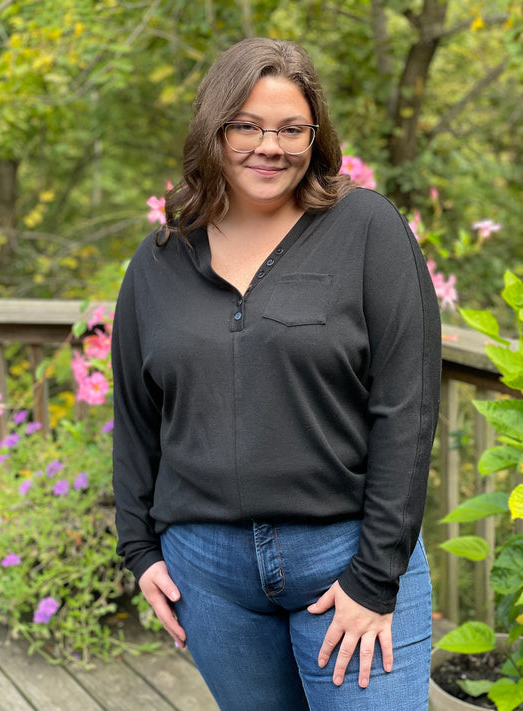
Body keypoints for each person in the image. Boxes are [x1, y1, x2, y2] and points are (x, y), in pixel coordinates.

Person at [112, 37, 441, 711]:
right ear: (214, 130)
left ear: (315, 135)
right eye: (247, 126)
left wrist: (375, 577)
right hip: (207, 572)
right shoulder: (160, 261)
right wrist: (139, 552)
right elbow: (136, 416)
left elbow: (404, 409)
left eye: (291, 128)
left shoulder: (368, 230)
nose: (271, 145)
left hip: (348, 556)